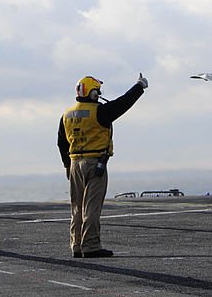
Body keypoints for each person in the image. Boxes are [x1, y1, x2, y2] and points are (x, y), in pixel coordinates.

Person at [57, 74, 147, 258]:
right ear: (92, 93)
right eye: (97, 91)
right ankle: (90, 246)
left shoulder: (67, 114)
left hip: (74, 163)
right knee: (92, 207)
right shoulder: (100, 111)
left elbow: (61, 143)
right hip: (95, 163)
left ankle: (76, 245)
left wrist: (67, 165)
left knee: (77, 207)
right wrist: (139, 87)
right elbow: (123, 103)